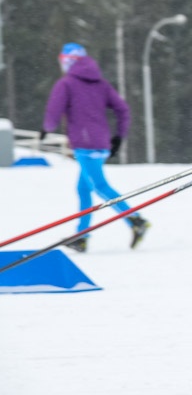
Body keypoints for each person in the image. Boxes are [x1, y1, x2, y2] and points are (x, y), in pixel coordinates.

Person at [42, 43, 150, 252]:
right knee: (83, 188)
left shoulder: (67, 84)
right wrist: (119, 136)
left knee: (99, 186)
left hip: (84, 144)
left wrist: (46, 128)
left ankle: (136, 220)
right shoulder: (101, 83)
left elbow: (54, 110)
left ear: (68, 61)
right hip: (101, 142)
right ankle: (82, 236)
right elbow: (122, 109)